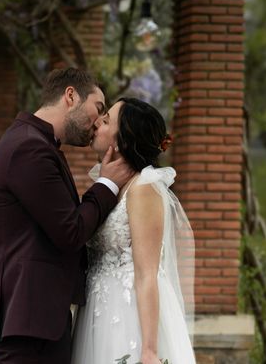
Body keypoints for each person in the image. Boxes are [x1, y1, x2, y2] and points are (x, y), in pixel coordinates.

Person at [0, 67, 136, 364]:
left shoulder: (34, 142)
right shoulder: (29, 148)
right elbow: (70, 231)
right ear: (71, 96)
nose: (99, 121)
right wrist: (108, 183)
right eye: (98, 108)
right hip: (26, 320)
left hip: (34, 317)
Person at [71, 97, 196, 364]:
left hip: (128, 315)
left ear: (121, 141)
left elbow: (147, 273)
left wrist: (149, 350)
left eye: (105, 121)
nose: (97, 124)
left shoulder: (143, 189)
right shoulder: (113, 187)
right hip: (97, 311)